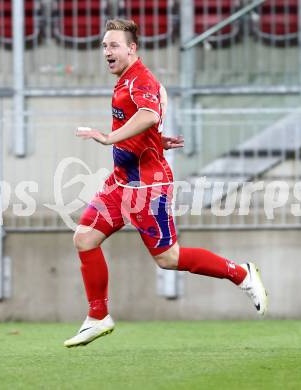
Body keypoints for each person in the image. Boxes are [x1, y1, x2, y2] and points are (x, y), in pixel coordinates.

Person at [64, 19, 267, 348]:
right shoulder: (129, 80)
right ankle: (98, 316)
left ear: (132, 48)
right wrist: (155, 141)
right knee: (85, 238)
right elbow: (154, 108)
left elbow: (149, 114)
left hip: (147, 186)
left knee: (168, 258)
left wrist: (108, 138)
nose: (107, 52)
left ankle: (241, 274)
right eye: (104, 46)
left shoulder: (139, 79)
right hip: (122, 181)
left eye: (113, 45)